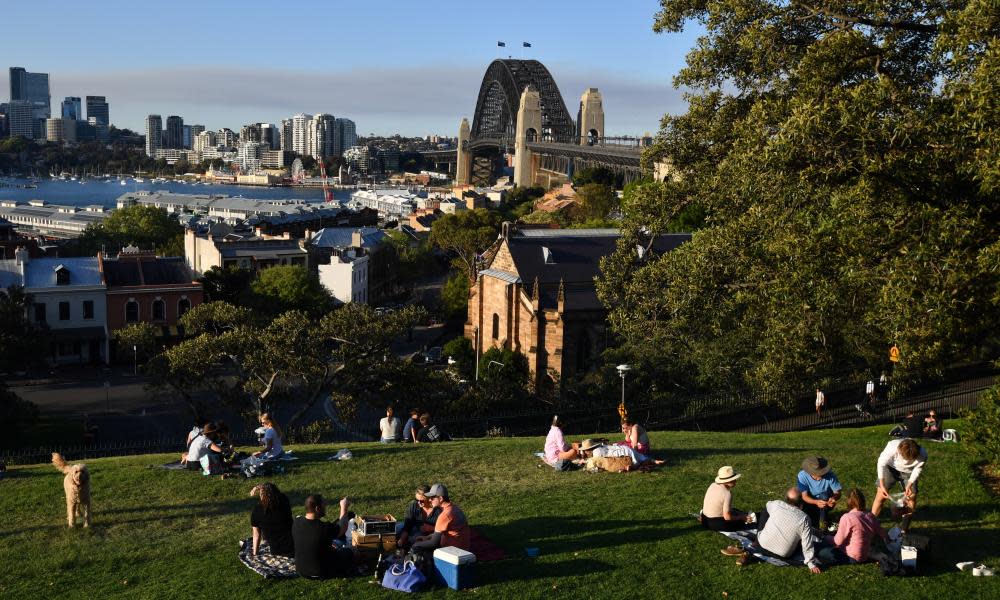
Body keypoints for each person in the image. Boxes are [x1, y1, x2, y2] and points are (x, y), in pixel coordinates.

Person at [739, 488, 824, 573]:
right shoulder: (805, 519)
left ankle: (757, 540)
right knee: (802, 537)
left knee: (766, 510)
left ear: (786, 499)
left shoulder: (777, 504)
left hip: (762, 545)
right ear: (801, 503)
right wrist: (811, 563)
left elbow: (767, 506)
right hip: (782, 554)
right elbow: (807, 543)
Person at [292, 494, 357, 579]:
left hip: (302, 570)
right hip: (322, 571)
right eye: (324, 505)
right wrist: (343, 507)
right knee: (354, 551)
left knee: (335, 544)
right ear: (317, 508)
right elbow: (343, 528)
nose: (325, 508)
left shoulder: (297, 522)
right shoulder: (324, 528)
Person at [872, 438, 927, 533]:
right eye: (905, 459)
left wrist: (909, 483)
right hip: (890, 468)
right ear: (899, 451)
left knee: (911, 497)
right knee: (880, 495)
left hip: (909, 472)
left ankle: (904, 529)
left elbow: (918, 469)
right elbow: (881, 463)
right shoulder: (892, 447)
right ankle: (870, 524)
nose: (906, 462)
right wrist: (882, 484)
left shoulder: (922, 454)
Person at [828, 488, 887, 564]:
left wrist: (826, 538)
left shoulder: (847, 517)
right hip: (865, 554)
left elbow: (838, 541)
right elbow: (882, 533)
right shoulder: (871, 516)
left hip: (851, 556)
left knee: (823, 552)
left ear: (849, 502)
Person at [412, 483, 470, 552]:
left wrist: (415, 546)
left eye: (432, 498)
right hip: (464, 547)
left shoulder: (444, 515)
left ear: (440, 498)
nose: (430, 500)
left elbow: (433, 543)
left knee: (416, 547)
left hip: (453, 551)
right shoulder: (454, 507)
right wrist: (428, 537)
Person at [796, 456, 842, 529]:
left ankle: (822, 525)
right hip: (809, 500)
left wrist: (833, 498)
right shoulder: (802, 476)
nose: (822, 474)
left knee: (823, 496)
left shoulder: (830, 476)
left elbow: (838, 493)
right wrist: (816, 502)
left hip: (825, 500)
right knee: (797, 498)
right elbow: (804, 496)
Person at [701, 466, 751, 533]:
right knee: (744, 522)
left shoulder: (712, 485)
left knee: (735, 511)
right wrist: (742, 518)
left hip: (704, 520)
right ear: (729, 481)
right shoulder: (727, 494)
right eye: (734, 479)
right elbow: (727, 517)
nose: (736, 481)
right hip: (714, 524)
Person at [250, 482, 294, 557]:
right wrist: (259, 487)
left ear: (262, 495)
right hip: (294, 545)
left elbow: (256, 534)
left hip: (276, 550)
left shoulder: (257, 511)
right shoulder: (284, 501)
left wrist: (255, 553)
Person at [398, 484, 441, 549]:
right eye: (416, 499)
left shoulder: (439, 510)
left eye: (421, 501)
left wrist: (432, 528)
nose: (418, 503)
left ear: (430, 498)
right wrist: (401, 539)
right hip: (415, 528)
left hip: (433, 534)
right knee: (395, 530)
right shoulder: (414, 505)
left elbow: (445, 529)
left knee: (414, 539)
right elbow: (407, 526)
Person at [578, 439, 664, 470]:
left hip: (623, 454)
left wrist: (584, 461)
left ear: (589, 450)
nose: (585, 452)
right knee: (640, 457)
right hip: (625, 448)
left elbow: (596, 463)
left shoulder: (597, 452)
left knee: (635, 463)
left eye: (585, 451)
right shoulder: (601, 447)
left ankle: (650, 462)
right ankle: (655, 461)